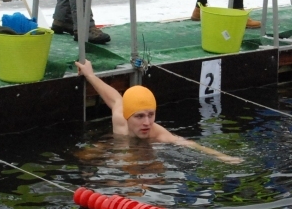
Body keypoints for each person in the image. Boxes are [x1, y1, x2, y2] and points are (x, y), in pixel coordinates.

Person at [73, 59, 242, 163]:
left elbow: (190, 144)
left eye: (151, 114)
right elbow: (114, 97)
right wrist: (90, 75)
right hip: (116, 143)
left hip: (143, 151)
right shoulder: (120, 118)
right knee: (84, 156)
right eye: (139, 116)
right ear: (127, 116)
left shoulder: (158, 134)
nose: (147, 122)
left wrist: (222, 156)